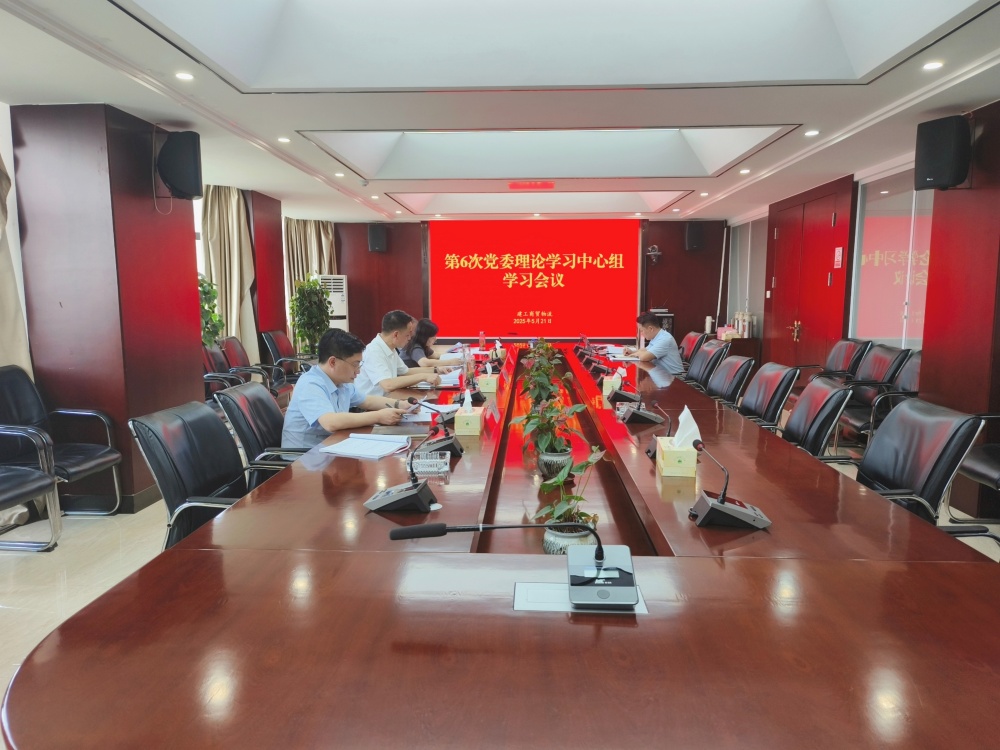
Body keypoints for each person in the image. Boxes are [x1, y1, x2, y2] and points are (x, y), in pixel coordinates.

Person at [281, 328, 413, 449]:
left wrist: (401, 404)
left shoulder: (341, 382)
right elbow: (330, 422)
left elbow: (367, 401)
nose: (358, 371)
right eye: (355, 364)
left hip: (331, 446)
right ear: (333, 362)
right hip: (304, 458)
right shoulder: (310, 384)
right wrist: (378, 416)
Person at [354, 310, 442, 397]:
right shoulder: (374, 351)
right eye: (407, 335)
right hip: (371, 403)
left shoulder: (390, 348)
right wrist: (423, 376)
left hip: (386, 398)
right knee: (424, 397)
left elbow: (406, 372)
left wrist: (436, 370)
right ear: (396, 335)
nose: (409, 338)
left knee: (426, 396)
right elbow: (387, 385)